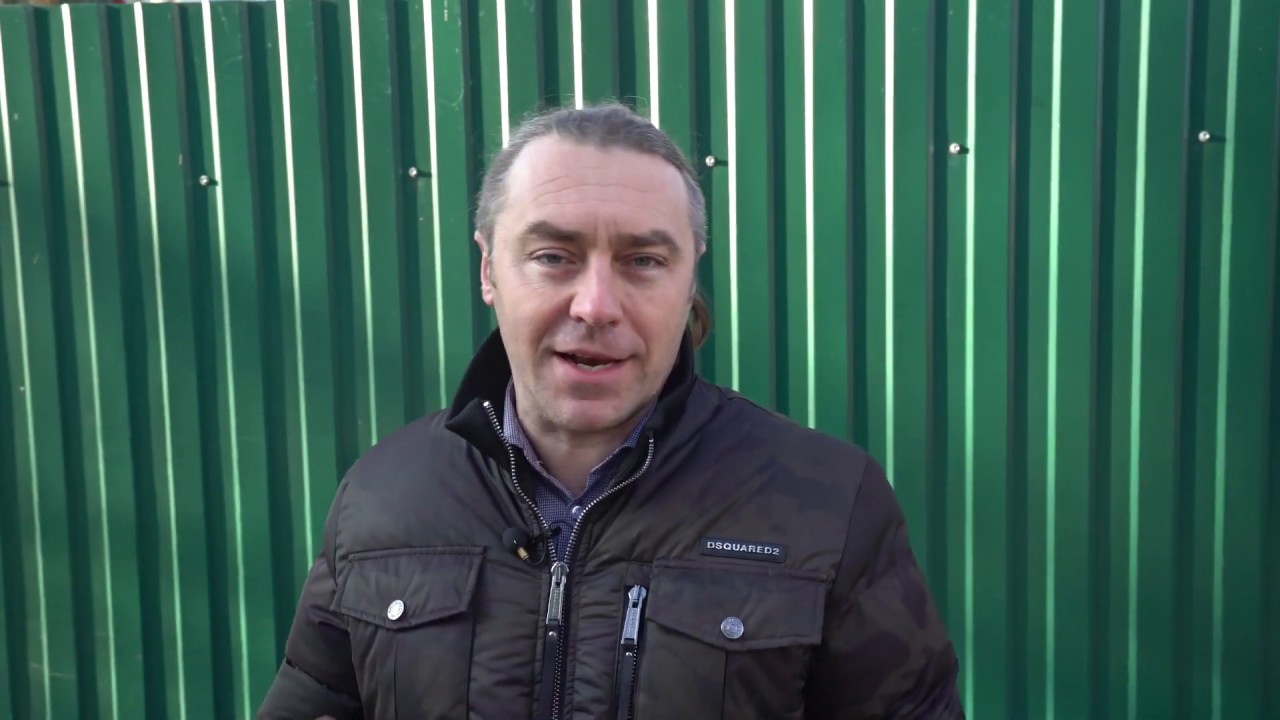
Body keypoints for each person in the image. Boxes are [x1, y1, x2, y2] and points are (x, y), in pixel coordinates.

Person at [257, 102, 963, 719]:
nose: (596, 306)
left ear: (689, 277)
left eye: (643, 261)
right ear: (488, 269)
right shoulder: (383, 494)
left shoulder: (827, 503)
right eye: (553, 256)